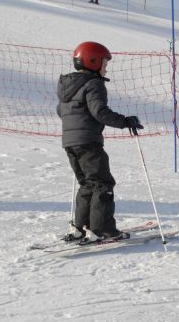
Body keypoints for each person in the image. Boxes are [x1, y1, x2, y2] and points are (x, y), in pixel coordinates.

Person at [56, 41, 143, 243]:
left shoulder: (67, 86)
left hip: (70, 142)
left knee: (88, 184)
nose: (106, 68)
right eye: (104, 63)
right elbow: (100, 112)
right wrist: (125, 121)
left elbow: (61, 111)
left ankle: (80, 228)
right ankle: (102, 230)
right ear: (92, 61)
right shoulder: (93, 84)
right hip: (88, 142)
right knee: (103, 184)